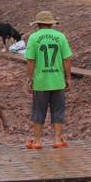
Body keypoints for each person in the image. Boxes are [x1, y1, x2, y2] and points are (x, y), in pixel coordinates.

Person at [25, 10, 72, 150]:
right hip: (58, 80)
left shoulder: (33, 38)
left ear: (38, 24)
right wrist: (68, 77)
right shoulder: (61, 37)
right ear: (51, 24)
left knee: (38, 110)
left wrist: (29, 79)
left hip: (40, 81)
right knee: (58, 110)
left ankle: (38, 141)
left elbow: (30, 61)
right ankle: (57, 139)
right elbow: (67, 59)